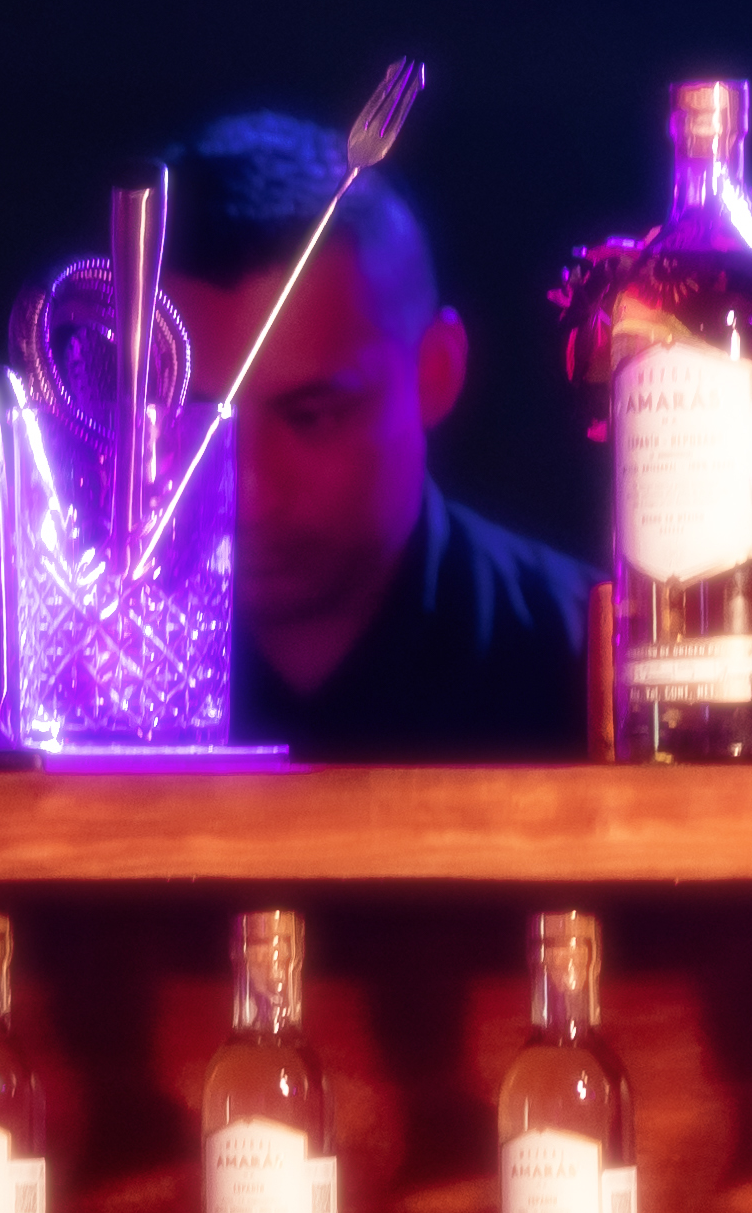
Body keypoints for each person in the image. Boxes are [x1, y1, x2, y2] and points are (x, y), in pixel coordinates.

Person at [161, 114, 589, 755]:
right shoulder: (66, 693)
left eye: (312, 417)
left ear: (436, 373)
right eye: (191, 425)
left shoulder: (593, 674)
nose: (247, 494)